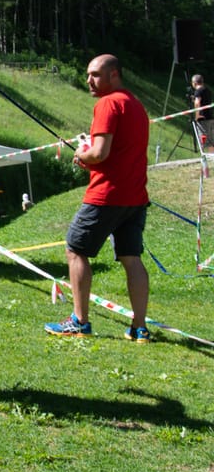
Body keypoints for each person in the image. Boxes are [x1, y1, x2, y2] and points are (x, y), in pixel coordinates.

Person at [45, 54, 151, 342]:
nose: (88, 80)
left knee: (75, 250)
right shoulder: (137, 105)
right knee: (132, 258)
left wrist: (82, 153)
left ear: (114, 74)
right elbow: (116, 153)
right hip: (135, 196)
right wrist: (92, 158)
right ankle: (139, 327)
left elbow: (100, 152)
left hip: (107, 195)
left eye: (95, 74)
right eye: (88, 74)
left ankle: (79, 321)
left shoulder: (108, 103)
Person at [191, 74, 214, 152]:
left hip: (202, 118)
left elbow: (197, 103)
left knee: (204, 140)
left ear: (194, 83)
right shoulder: (208, 90)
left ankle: (205, 159)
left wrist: (197, 115)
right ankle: (212, 157)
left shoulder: (198, 91)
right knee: (211, 140)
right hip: (210, 117)